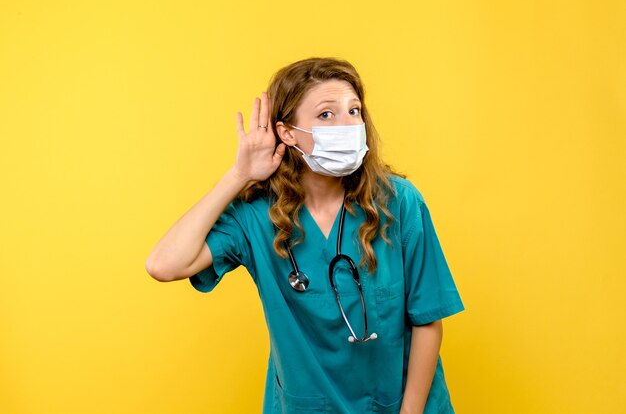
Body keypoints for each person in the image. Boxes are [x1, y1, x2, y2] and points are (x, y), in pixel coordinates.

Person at [145, 57, 465, 414]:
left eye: (354, 111)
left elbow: (428, 321)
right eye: (326, 115)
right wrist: (238, 175)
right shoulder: (257, 217)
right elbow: (164, 264)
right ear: (287, 133)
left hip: (404, 406)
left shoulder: (398, 202)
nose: (347, 124)